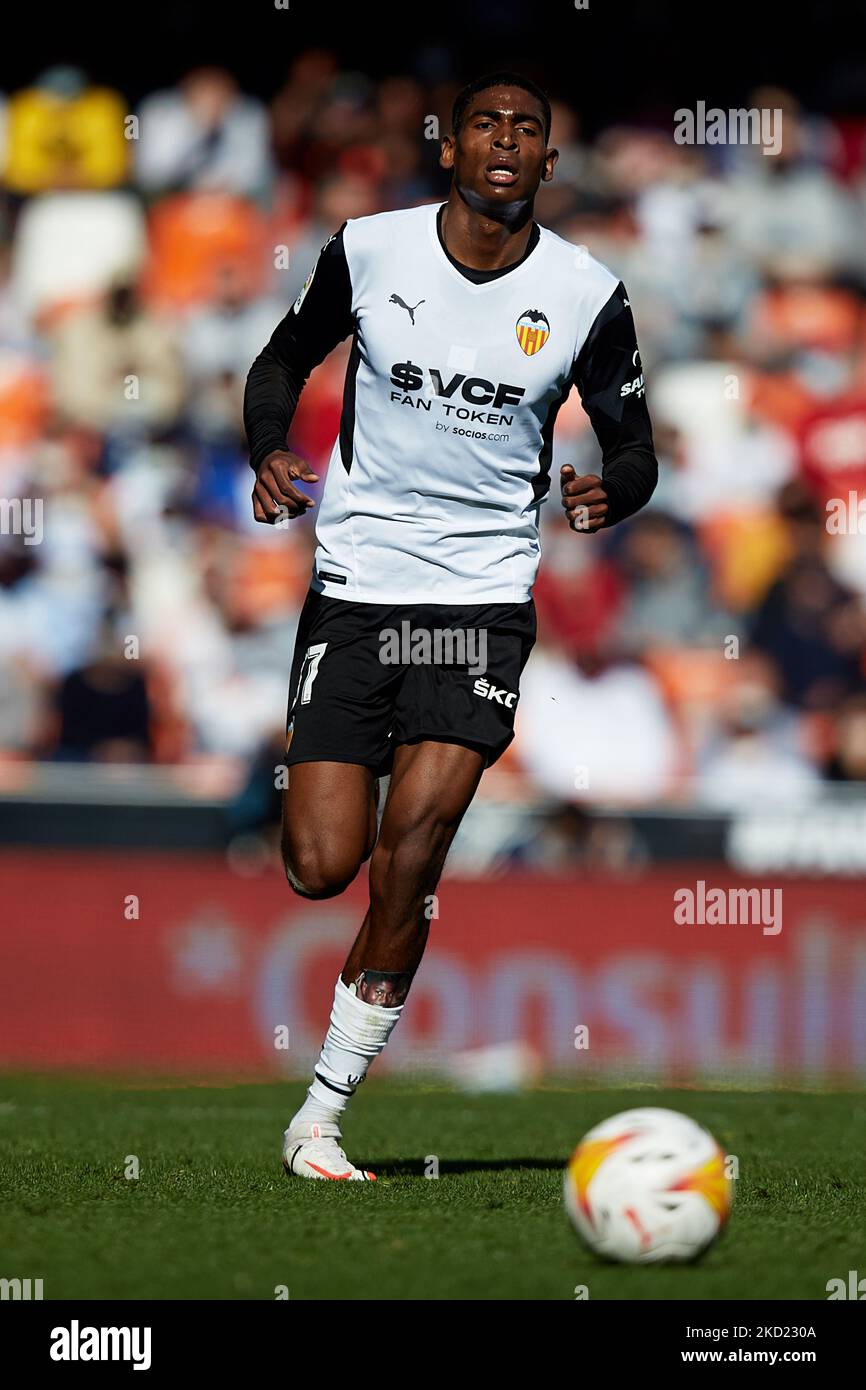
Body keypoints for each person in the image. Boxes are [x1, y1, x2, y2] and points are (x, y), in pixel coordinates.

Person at [243, 71, 658, 1181]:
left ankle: (321, 1115)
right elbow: (283, 359)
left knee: (413, 847)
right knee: (320, 863)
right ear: (451, 148)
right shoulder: (370, 249)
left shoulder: (584, 292)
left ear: (548, 164)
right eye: (488, 124)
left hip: (477, 601)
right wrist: (269, 448)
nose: (507, 141)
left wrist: (606, 492)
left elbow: (633, 445)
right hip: (358, 582)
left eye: (528, 128)